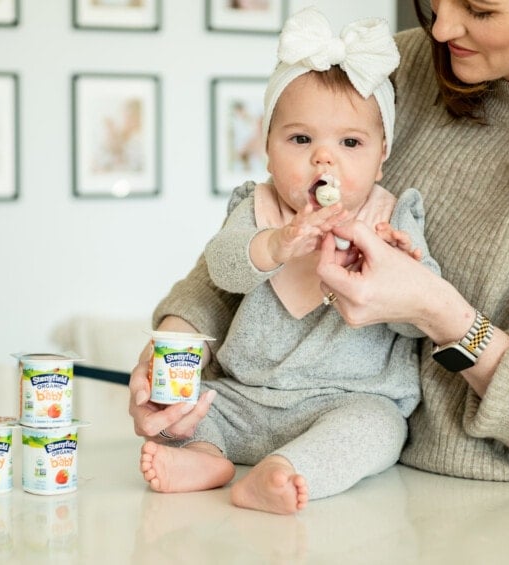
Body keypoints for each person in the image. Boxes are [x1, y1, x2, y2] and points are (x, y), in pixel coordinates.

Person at [130, 0, 509, 522]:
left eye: (479, 9)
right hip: (374, 495)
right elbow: (247, 241)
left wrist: (439, 314)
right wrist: (174, 348)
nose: (441, 28)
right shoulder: (391, 70)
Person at [138, 7, 441, 515]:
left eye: (350, 142)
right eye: (301, 140)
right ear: (268, 149)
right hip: (244, 396)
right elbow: (223, 269)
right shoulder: (256, 208)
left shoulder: (392, 217)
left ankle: (285, 471)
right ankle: (206, 459)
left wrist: (404, 275)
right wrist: (275, 244)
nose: (325, 159)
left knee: (379, 430)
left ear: (382, 152)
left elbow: (421, 326)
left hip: (345, 400)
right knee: (187, 413)